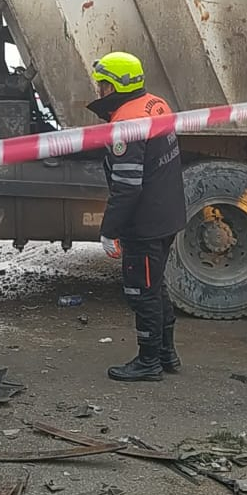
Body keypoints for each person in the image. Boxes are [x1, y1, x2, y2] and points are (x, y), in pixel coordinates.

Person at [86, 51, 187, 382]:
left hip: (144, 224)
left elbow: (127, 186)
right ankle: (166, 354)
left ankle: (148, 362)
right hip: (167, 215)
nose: (99, 91)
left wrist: (108, 230)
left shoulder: (127, 124)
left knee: (142, 293)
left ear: (113, 87)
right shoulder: (155, 104)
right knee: (155, 287)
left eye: (102, 85)